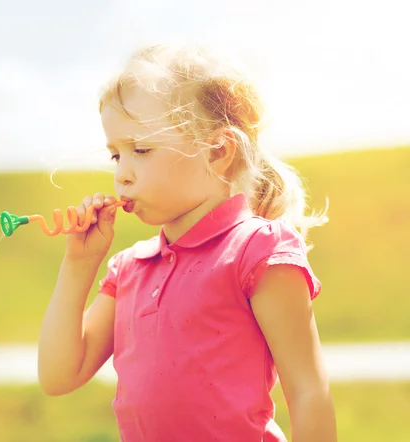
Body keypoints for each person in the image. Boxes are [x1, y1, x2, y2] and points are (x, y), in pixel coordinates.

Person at [37, 43, 337, 442]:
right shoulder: (130, 268)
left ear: (218, 151)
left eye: (141, 150)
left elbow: (308, 391)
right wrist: (79, 263)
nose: (122, 174)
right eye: (115, 155)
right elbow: (58, 376)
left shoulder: (258, 250)